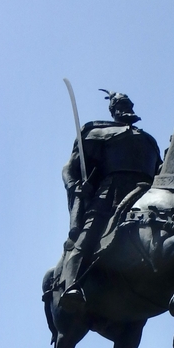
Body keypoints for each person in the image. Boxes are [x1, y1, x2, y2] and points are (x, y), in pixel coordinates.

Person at [59, 90, 162, 312]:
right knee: (88, 234)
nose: (127, 108)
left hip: (147, 196)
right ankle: (71, 285)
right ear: (114, 110)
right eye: (122, 104)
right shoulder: (97, 132)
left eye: (129, 103)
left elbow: (160, 174)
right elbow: (70, 168)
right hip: (111, 194)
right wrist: (76, 187)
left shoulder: (149, 141)